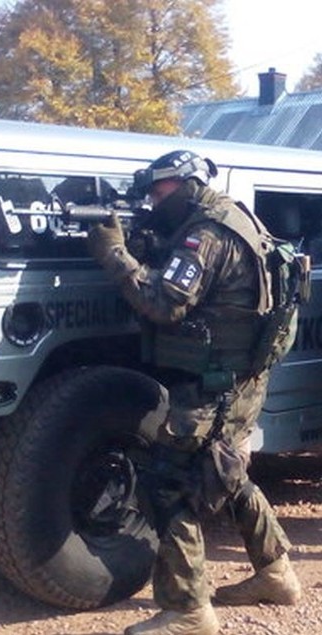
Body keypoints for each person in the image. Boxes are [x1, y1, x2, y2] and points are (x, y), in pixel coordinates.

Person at [87, 150, 302, 635]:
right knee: (226, 472)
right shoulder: (235, 216)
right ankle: (278, 574)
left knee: (171, 484)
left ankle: (188, 610)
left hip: (213, 386)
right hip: (241, 380)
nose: (153, 199)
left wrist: (115, 254)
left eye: (159, 191)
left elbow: (164, 306)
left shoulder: (205, 234)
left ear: (184, 184)